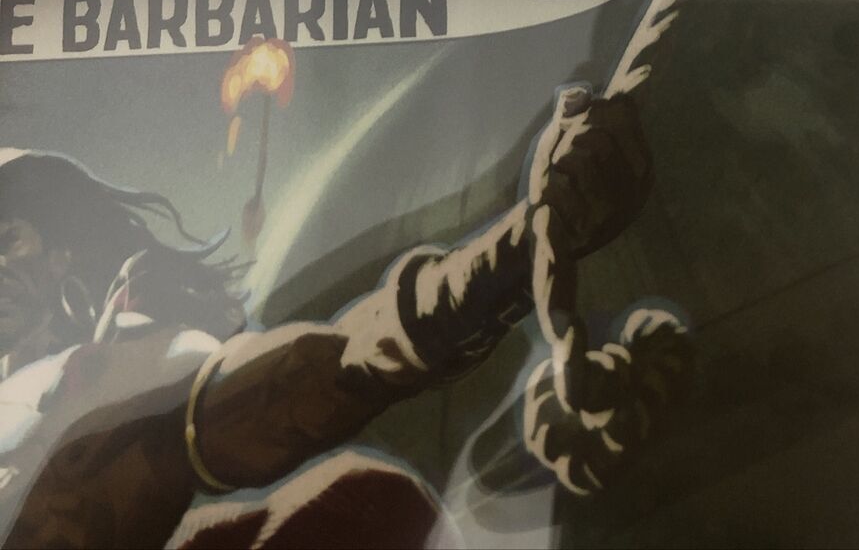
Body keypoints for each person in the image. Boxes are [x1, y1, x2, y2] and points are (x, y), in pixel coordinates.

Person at [0, 86, 650, 549]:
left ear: (62, 253)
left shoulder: (108, 370)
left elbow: (297, 381)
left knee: (357, 499)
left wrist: (511, 253)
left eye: (8, 237)